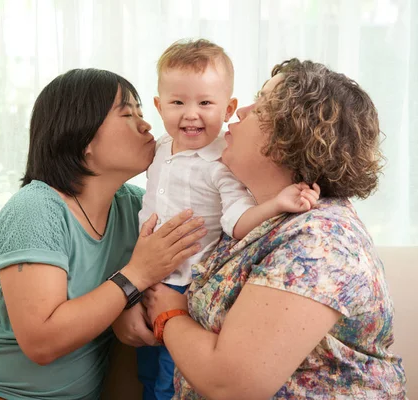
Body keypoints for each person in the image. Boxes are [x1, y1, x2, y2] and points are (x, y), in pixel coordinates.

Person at [0, 69, 206, 399]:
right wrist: (136, 274)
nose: (146, 124)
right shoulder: (36, 209)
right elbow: (42, 342)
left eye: (141, 111)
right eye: (127, 113)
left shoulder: (139, 208)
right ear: (82, 139)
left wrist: (124, 311)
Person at [142, 59, 408, 399]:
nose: (239, 112)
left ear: (291, 137)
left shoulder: (321, 242)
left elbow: (232, 385)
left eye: (260, 106)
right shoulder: (252, 218)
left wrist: (167, 314)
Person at [128, 39, 320, 400]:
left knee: (170, 380)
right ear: (158, 105)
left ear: (228, 107)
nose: (190, 113)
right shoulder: (158, 149)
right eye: (177, 102)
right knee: (147, 372)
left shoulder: (222, 163)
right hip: (147, 279)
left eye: (205, 102)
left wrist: (277, 203)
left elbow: (237, 222)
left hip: (186, 288)